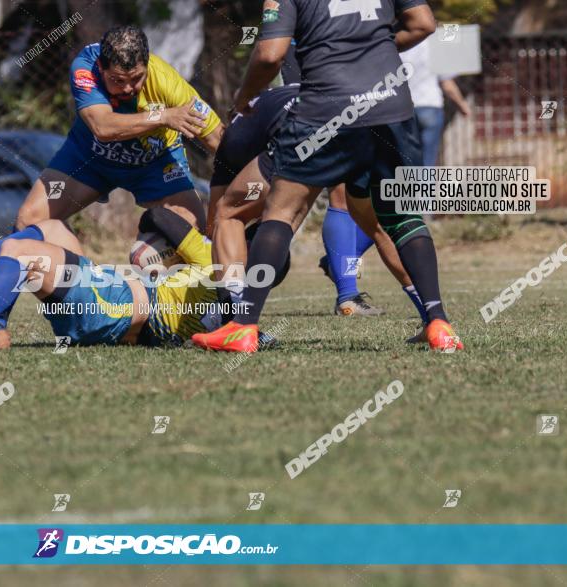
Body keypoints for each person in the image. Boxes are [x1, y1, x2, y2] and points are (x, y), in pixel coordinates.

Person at [193, 0, 463, 353]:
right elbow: (424, 23)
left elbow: (271, 54)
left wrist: (245, 95)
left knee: (282, 213)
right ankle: (438, 322)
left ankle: (243, 327)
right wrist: (369, 51)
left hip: (325, 110)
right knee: (402, 217)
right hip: (391, 107)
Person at [208, 83, 430, 326]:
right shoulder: (280, 97)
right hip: (361, 119)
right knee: (379, 225)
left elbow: (213, 228)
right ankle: (433, 316)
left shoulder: (232, 141)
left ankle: (233, 320)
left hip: (307, 130)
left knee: (229, 215)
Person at [0, 209, 289, 349]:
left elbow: (161, 217)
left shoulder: (217, 268)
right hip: (109, 302)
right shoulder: (240, 312)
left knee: (21, 254)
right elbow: (156, 216)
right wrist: (155, 254)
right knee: (53, 227)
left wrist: (156, 251)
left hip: (114, 304)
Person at [14, 25, 224, 233]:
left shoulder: (168, 82)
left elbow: (219, 140)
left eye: (136, 79)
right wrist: (162, 116)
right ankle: (76, 264)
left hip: (155, 162)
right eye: (118, 80)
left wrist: (250, 174)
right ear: (101, 67)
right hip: (90, 157)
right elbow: (102, 127)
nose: (127, 88)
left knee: (191, 230)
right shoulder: (86, 66)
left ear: (147, 65)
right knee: (29, 220)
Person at [400, 39, 471, 166]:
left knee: (408, 156)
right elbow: (447, 84)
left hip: (405, 106)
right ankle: (425, 184)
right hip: (430, 104)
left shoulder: (399, 44)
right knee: (428, 157)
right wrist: (462, 105)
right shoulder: (434, 45)